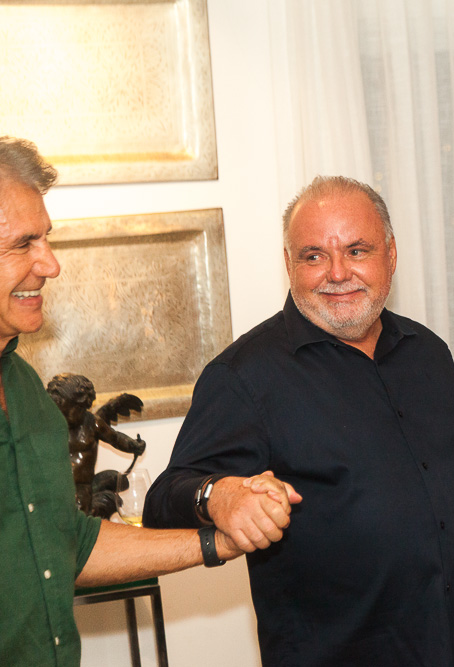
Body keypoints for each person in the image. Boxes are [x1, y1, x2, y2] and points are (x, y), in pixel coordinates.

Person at [142, 174, 454, 666]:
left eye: (356, 251)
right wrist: (218, 495)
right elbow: (163, 500)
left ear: (390, 255)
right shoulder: (244, 375)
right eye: (314, 256)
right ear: (288, 264)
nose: (337, 273)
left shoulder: (426, 351)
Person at [0, 135, 298, 667]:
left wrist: (220, 541)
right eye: (24, 244)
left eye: (46, 239)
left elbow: (70, 545)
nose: (50, 264)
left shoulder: (28, 393)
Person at [46, 372, 146, 516]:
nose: (62, 416)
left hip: (82, 488)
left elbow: (116, 438)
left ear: (81, 406)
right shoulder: (51, 427)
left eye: (67, 411)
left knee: (79, 512)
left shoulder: (92, 423)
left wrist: (133, 445)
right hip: (58, 486)